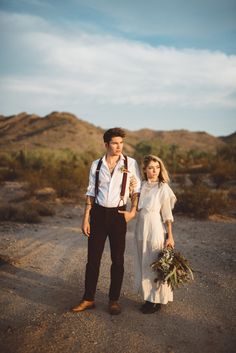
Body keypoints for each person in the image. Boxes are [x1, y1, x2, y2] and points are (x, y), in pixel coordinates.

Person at [72, 127, 141, 315]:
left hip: (119, 214)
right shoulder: (96, 165)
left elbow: (136, 190)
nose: (119, 147)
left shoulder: (130, 163)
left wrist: (132, 212)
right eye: (115, 143)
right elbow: (90, 192)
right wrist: (86, 218)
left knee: (117, 260)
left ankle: (113, 300)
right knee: (93, 259)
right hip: (98, 214)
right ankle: (88, 298)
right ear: (106, 144)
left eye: (121, 143)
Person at [134, 154, 177, 314]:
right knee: (143, 263)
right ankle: (148, 298)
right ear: (144, 170)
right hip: (140, 228)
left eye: (157, 167)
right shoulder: (141, 185)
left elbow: (167, 215)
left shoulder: (163, 187)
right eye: (151, 168)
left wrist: (170, 236)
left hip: (155, 228)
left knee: (154, 265)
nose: (155, 171)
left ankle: (156, 299)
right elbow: (134, 206)